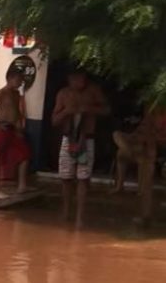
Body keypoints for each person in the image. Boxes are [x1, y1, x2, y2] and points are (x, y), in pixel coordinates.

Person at [52, 69, 109, 227]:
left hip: (86, 139)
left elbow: (107, 110)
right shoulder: (63, 94)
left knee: (83, 178)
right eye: (75, 78)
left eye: (81, 78)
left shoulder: (93, 91)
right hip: (68, 138)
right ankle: (66, 211)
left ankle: (80, 217)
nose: (79, 81)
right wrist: (66, 112)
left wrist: (89, 109)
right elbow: (54, 120)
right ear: (69, 79)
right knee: (66, 178)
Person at [0, 68, 31, 200]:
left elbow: (17, 112)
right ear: (10, 79)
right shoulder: (1, 93)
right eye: (18, 80)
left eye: (21, 80)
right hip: (1, 128)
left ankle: (22, 185)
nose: (20, 83)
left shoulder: (16, 94)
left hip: (12, 129)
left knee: (24, 154)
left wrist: (19, 127)